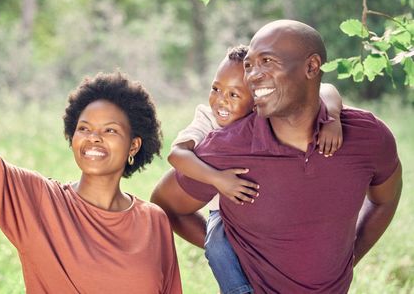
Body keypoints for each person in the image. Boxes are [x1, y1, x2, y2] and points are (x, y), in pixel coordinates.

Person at [152, 20, 402, 294]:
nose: (254, 75)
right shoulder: (225, 145)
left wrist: (350, 256)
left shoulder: (368, 137)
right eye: (249, 66)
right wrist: (240, 253)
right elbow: (166, 204)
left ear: (312, 67)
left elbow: (385, 200)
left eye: (267, 61)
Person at [0, 51, 182, 294]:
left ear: (133, 144)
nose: (93, 138)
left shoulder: (153, 221)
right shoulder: (40, 201)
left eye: (110, 130)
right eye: (84, 129)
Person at [167, 45, 343, 294]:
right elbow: (177, 155)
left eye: (234, 94)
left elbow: (327, 89)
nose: (221, 100)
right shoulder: (207, 119)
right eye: (216, 89)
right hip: (225, 212)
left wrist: (332, 118)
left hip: (273, 210)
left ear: (257, 99)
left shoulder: (268, 115)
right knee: (217, 245)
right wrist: (218, 180)